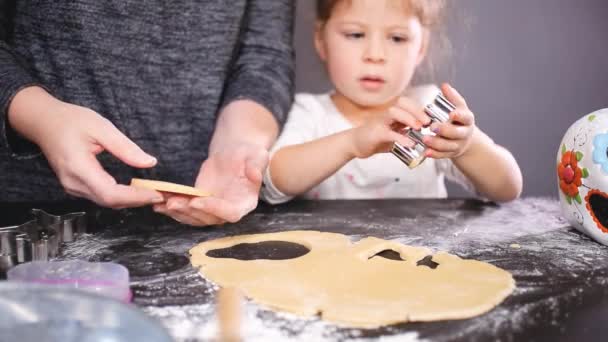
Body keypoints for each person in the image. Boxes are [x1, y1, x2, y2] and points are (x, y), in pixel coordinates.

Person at [0, 1, 295, 226]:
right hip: (36, 220)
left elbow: (264, 54)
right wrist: (42, 118)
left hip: (197, 210)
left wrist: (239, 141)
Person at [261, 0, 522, 204]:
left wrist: (467, 146)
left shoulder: (429, 111)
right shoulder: (311, 112)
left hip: (419, 264)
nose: (375, 55)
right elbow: (273, 182)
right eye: (355, 34)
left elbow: (507, 189)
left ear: (420, 47)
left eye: (397, 38)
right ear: (321, 40)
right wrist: (352, 143)